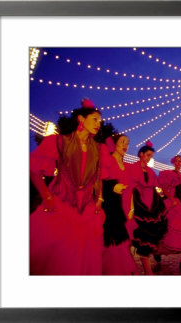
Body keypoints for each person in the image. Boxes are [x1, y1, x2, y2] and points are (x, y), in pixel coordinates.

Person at [30, 98, 105, 275]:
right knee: (57, 259)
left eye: (100, 121)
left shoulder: (98, 148)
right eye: (94, 119)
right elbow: (34, 169)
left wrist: (100, 197)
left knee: (82, 260)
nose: (98, 124)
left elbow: (98, 176)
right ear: (81, 119)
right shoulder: (59, 141)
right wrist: (46, 195)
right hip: (62, 205)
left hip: (87, 209)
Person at [100, 132, 139, 275]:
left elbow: (131, 190)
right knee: (114, 245)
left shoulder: (128, 167)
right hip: (112, 208)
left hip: (126, 209)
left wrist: (132, 208)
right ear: (114, 144)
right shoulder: (107, 162)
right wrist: (111, 187)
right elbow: (98, 184)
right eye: (122, 141)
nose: (125, 145)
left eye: (127, 143)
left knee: (125, 243)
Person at [130, 141, 168, 275]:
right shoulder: (133, 167)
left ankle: (147, 270)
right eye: (147, 155)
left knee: (148, 239)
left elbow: (154, 186)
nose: (149, 158)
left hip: (151, 205)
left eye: (151, 156)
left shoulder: (151, 171)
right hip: (139, 204)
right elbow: (131, 186)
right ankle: (146, 270)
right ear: (141, 154)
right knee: (141, 238)